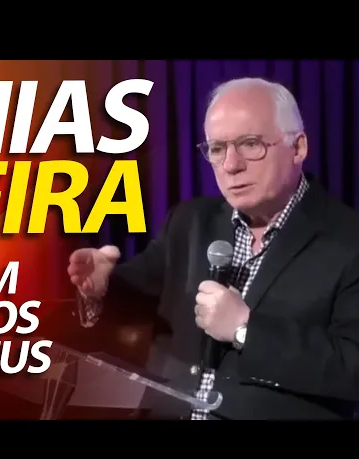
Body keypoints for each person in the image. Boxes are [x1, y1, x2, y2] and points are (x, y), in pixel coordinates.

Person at [68, 77, 359, 420]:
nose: (231, 165)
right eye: (217, 149)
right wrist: (101, 286)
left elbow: (351, 367)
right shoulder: (189, 221)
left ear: (298, 148)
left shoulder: (348, 239)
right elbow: (136, 297)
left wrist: (246, 330)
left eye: (250, 144)